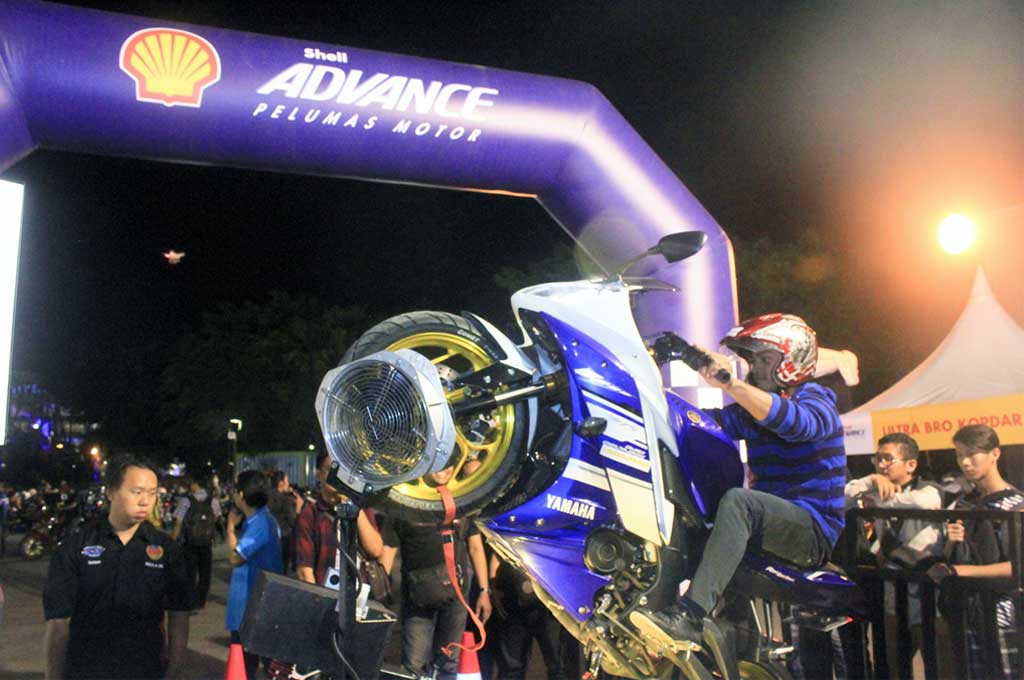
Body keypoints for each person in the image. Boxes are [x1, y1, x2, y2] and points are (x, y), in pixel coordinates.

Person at [631, 313, 846, 651]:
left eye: (764, 359)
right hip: (768, 524)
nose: (755, 368)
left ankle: (690, 617)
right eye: (752, 360)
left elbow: (797, 425)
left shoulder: (816, 398)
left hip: (811, 530)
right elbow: (696, 424)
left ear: (793, 360)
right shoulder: (751, 412)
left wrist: (729, 383)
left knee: (739, 502)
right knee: (692, 521)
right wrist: (662, 372)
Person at [43, 454, 195, 679]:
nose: (145, 501)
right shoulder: (76, 546)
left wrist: (175, 670)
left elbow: (179, 614)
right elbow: (58, 622)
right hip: (86, 669)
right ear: (111, 491)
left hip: (145, 669)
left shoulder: (167, 550)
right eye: (137, 492)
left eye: (152, 493)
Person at [928, 424, 1023, 680]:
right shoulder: (964, 503)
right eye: (959, 455)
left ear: (995, 454)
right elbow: (953, 556)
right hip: (968, 612)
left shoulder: (1016, 506)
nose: (965, 462)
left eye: (972, 454)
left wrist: (962, 571)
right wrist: (951, 544)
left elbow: (1018, 566)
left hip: (1004, 612)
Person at [381, 466, 493, 680]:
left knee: (448, 663)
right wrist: (380, 594)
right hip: (418, 598)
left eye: (451, 463)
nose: (445, 469)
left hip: (456, 595)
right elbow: (388, 550)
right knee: (414, 667)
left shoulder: (462, 498)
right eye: (439, 463)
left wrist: (484, 590)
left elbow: (475, 547)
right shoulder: (405, 500)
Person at [844, 432, 942, 676]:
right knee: (892, 668)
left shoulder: (929, 489)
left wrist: (878, 502)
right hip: (892, 597)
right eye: (877, 459)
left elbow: (924, 503)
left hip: (929, 596)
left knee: (939, 668)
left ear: (911, 465)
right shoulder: (874, 490)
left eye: (888, 459)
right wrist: (870, 480)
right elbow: (843, 496)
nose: (881, 465)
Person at [294, 452, 384, 588]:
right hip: (327, 593)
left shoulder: (362, 509)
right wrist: (317, 599)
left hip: (360, 591)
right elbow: (304, 571)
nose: (340, 477)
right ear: (318, 474)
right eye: (333, 469)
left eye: (345, 471)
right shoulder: (311, 514)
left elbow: (375, 550)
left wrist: (352, 503)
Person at [226, 469, 283, 679]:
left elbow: (235, 558)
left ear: (241, 495)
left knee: (248, 664)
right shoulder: (262, 520)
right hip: (254, 604)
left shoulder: (260, 523)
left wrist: (230, 528)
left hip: (253, 606)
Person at [170, 473, 222, 610]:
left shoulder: (186, 501)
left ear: (195, 484)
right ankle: (201, 600)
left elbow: (178, 524)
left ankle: (190, 600)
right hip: (206, 543)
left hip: (189, 543)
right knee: (205, 572)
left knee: (190, 572)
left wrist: (172, 541)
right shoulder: (213, 501)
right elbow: (216, 519)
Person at [267, 469, 302, 573]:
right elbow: (293, 521)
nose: (288, 484)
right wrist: (298, 507)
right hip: (283, 540)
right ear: (281, 483)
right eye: (287, 481)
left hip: (267, 539)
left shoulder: (265, 497)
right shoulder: (286, 500)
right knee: (281, 572)